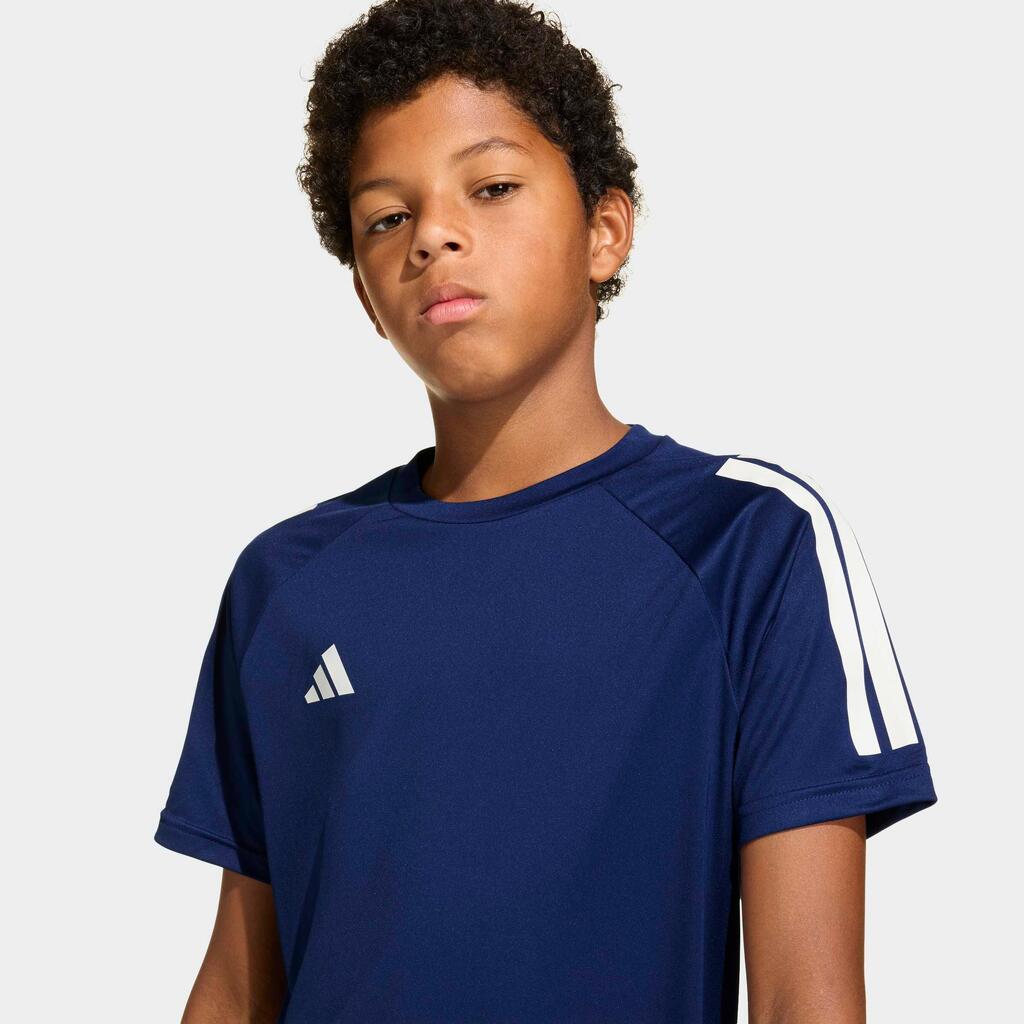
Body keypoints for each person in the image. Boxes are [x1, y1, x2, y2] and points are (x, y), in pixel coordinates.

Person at [153, 1, 938, 1020]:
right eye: (387, 217)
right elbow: (235, 982)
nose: (433, 235)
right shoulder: (286, 582)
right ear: (366, 298)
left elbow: (806, 996)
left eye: (491, 187)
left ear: (604, 231)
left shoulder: (749, 544)